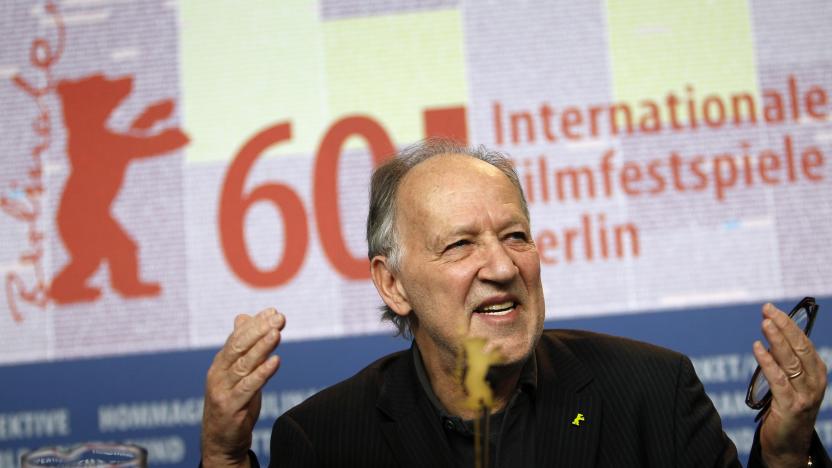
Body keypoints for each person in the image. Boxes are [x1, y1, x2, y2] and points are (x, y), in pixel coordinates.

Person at [201, 139, 829, 467]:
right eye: (459, 246)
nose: (501, 267)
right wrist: (225, 459)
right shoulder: (323, 439)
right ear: (392, 284)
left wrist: (782, 456)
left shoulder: (651, 391)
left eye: (515, 237)